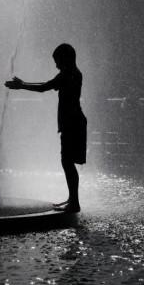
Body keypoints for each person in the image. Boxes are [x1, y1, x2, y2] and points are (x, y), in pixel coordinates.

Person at [5, 43, 86, 213]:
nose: (56, 65)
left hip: (72, 123)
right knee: (67, 162)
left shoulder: (68, 75)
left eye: (58, 61)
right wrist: (24, 83)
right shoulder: (71, 74)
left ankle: (74, 202)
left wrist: (22, 86)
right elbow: (48, 84)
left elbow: (44, 87)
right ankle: (72, 199)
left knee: (67, 161)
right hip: (73, 122)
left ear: (66, 59)